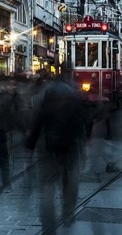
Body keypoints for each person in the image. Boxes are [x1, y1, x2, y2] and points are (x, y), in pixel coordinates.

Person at [26, 66, 87, 232]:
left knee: (47, 186)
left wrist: (30, 144)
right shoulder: (74, 93)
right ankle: (68, 214)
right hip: (70, 146)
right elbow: (83, 121)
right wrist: (82, 143)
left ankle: (48, 224)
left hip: (48, 146)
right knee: (71, 183)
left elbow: (37, 119)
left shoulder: (45, 93)